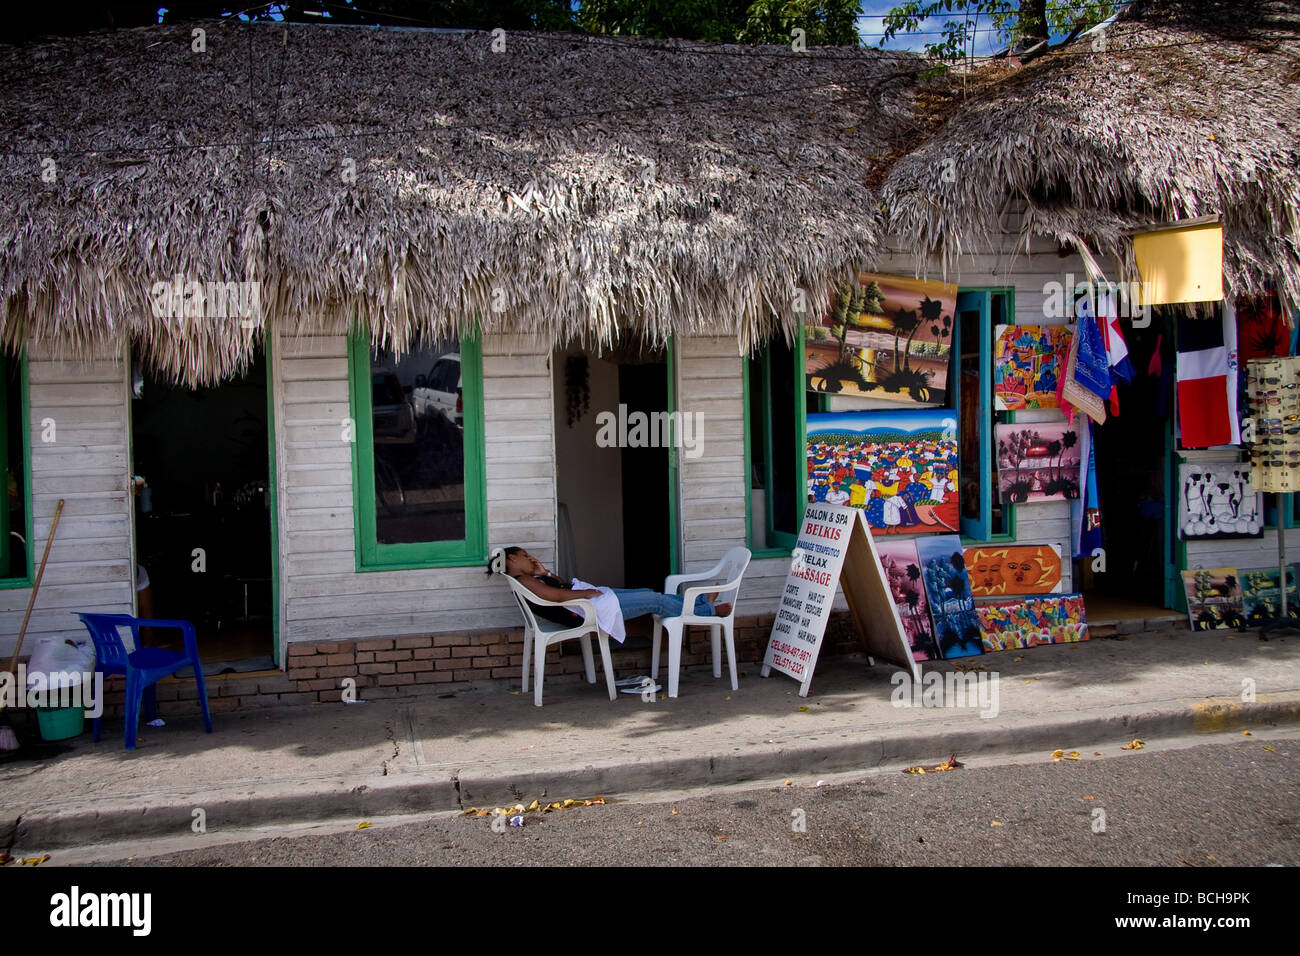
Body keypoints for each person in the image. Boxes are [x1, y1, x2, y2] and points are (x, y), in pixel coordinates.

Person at [490, 547, 730, 642]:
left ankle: (698, 601)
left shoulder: (531, 578)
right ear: (512, 559)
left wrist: (547, 572)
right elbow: (556, 597)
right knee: (655, 601)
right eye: (524, 555)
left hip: (587, 601)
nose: (530, 557)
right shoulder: (525, 580)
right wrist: (586, 592)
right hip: (587, 609)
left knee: (648, 593)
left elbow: (560, 587)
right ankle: (708, 611)